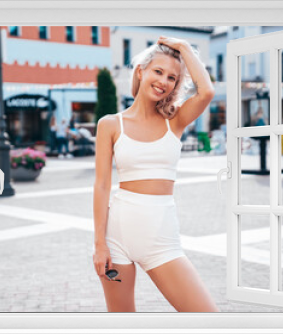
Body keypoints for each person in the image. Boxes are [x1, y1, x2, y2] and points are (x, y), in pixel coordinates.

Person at [92, 36, 219, 312]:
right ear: (141, 71)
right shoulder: (111, 125)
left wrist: (184, 48)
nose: (164, 81)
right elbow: (102, 186)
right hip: (118, 236)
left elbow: (206, 92)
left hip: (162, 239)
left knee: (207, 317)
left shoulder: (175, 120)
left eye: (172, 78)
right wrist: (100, 245)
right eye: (158, 71)